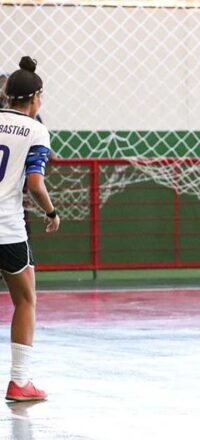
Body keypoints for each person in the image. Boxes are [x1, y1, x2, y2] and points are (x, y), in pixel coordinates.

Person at [0, 56, 60, 401]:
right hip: (8, 230)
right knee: (25, 300)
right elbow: (35, 183)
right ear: (36, 98)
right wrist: (51, 212)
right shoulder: (36, 130)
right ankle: (19, 382)